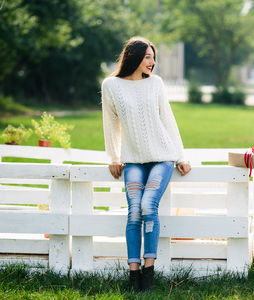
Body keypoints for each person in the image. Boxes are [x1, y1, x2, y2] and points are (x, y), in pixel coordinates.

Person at [101, 36, 192, 292]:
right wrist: (113, 157)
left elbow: (168, 120)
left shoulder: (156, 84)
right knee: (134, 211)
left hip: (163, 156)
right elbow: (110, 124)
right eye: (148, 56)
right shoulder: (111, 85)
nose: (152, 62)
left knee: (148, 205)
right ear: (134, 57)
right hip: (133, 160)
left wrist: (181, 156)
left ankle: (149, 272)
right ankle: (134, 275)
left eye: (154, 57)